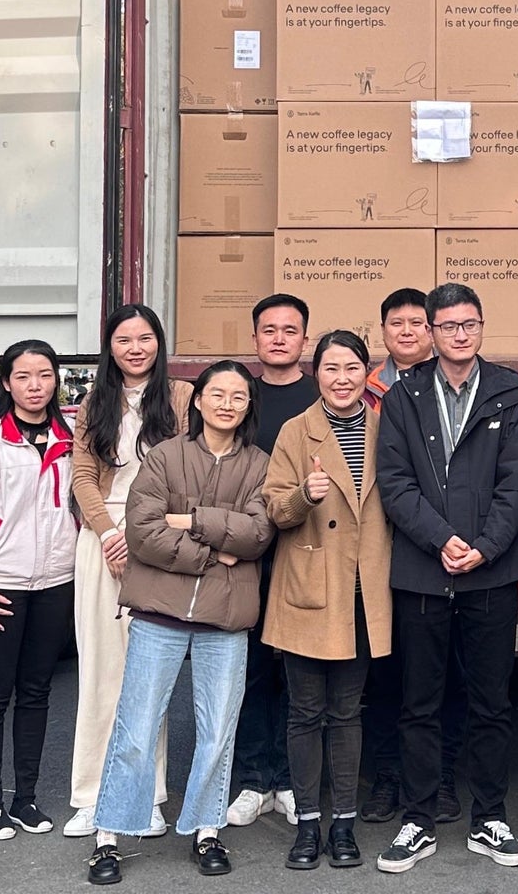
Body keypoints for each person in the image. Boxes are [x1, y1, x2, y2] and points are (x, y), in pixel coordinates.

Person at [372, 283, 518, 874]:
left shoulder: (510, 391)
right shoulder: (404, 396)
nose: (459, 334)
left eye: (469, 324)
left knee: (491, 702)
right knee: (420, 702)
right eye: (448, 326)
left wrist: (486, 547)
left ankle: (489, 816)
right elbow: (394, 483)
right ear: (432, 332)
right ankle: (417, 820)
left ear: (482, 328)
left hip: (491, 574)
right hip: (424, 570)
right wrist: (442, 539)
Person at [86, 361, 273, 884]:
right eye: (218, 393)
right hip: (160, 612)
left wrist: (190, 520)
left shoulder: (260, 464)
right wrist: (217, 554)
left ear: (248, 406)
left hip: (226, 620)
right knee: (137, 726)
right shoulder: (166, 455)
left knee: (218, 730)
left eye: (239, 396)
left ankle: (206, 829)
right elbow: (142, 531)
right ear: (197, 401)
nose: (227, 403)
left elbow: (258, 534)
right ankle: (108, 836)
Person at [264, 331, 394, 871]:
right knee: (304, 713)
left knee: (347, 713)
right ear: (316, 373)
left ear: (367, 373)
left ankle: (343, 823)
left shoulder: (388, 427)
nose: (342, 378)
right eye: (331, 368)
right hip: (311, 589)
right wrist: (302, 496)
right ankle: (306, 826)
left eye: (351, 368)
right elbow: (273, 508)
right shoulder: (297, 431)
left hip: (366, 593)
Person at [66, 304, 193, 839]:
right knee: (100, 673)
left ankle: (147, 796)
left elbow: (193, 473)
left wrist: (149, 537)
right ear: (109, 348)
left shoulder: (183, 399)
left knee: (150, 674)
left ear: (159, 344)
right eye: (123, 339)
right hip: (102, 541)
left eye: (144, 338)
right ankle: (92, 795)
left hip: (162, 539)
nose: (135, 348)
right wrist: (108, 533)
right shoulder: (95, 403)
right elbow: (82, 475)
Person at [0, 339, 82, 841]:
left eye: (45, 375)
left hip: (56, 582)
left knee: (37, 693)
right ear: (6, 382)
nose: (35, 386)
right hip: (1, 586)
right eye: (24, 376)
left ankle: (25, 798)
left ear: (56, 380)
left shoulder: (72, 437)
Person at [357, 288, 448, 826]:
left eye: (419, 322)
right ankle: (388, 777)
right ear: (383, 332)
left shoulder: (452, 384)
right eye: (398, 323)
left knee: (440, 671)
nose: (409, 331)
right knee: (386, 673)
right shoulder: (362, 388)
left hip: (431, 545)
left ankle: (442, 777)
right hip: (372, 550)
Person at [232, 293, 316, 830]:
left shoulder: (318, 397)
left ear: (305, 340)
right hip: (243, 559)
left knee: (297, 674)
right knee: (247, 673)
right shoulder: (241, 398)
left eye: (290, 330)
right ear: (256, 338)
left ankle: (289, 779)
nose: (280, 337)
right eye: (269, 330)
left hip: (306, 558)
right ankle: (249, 780)